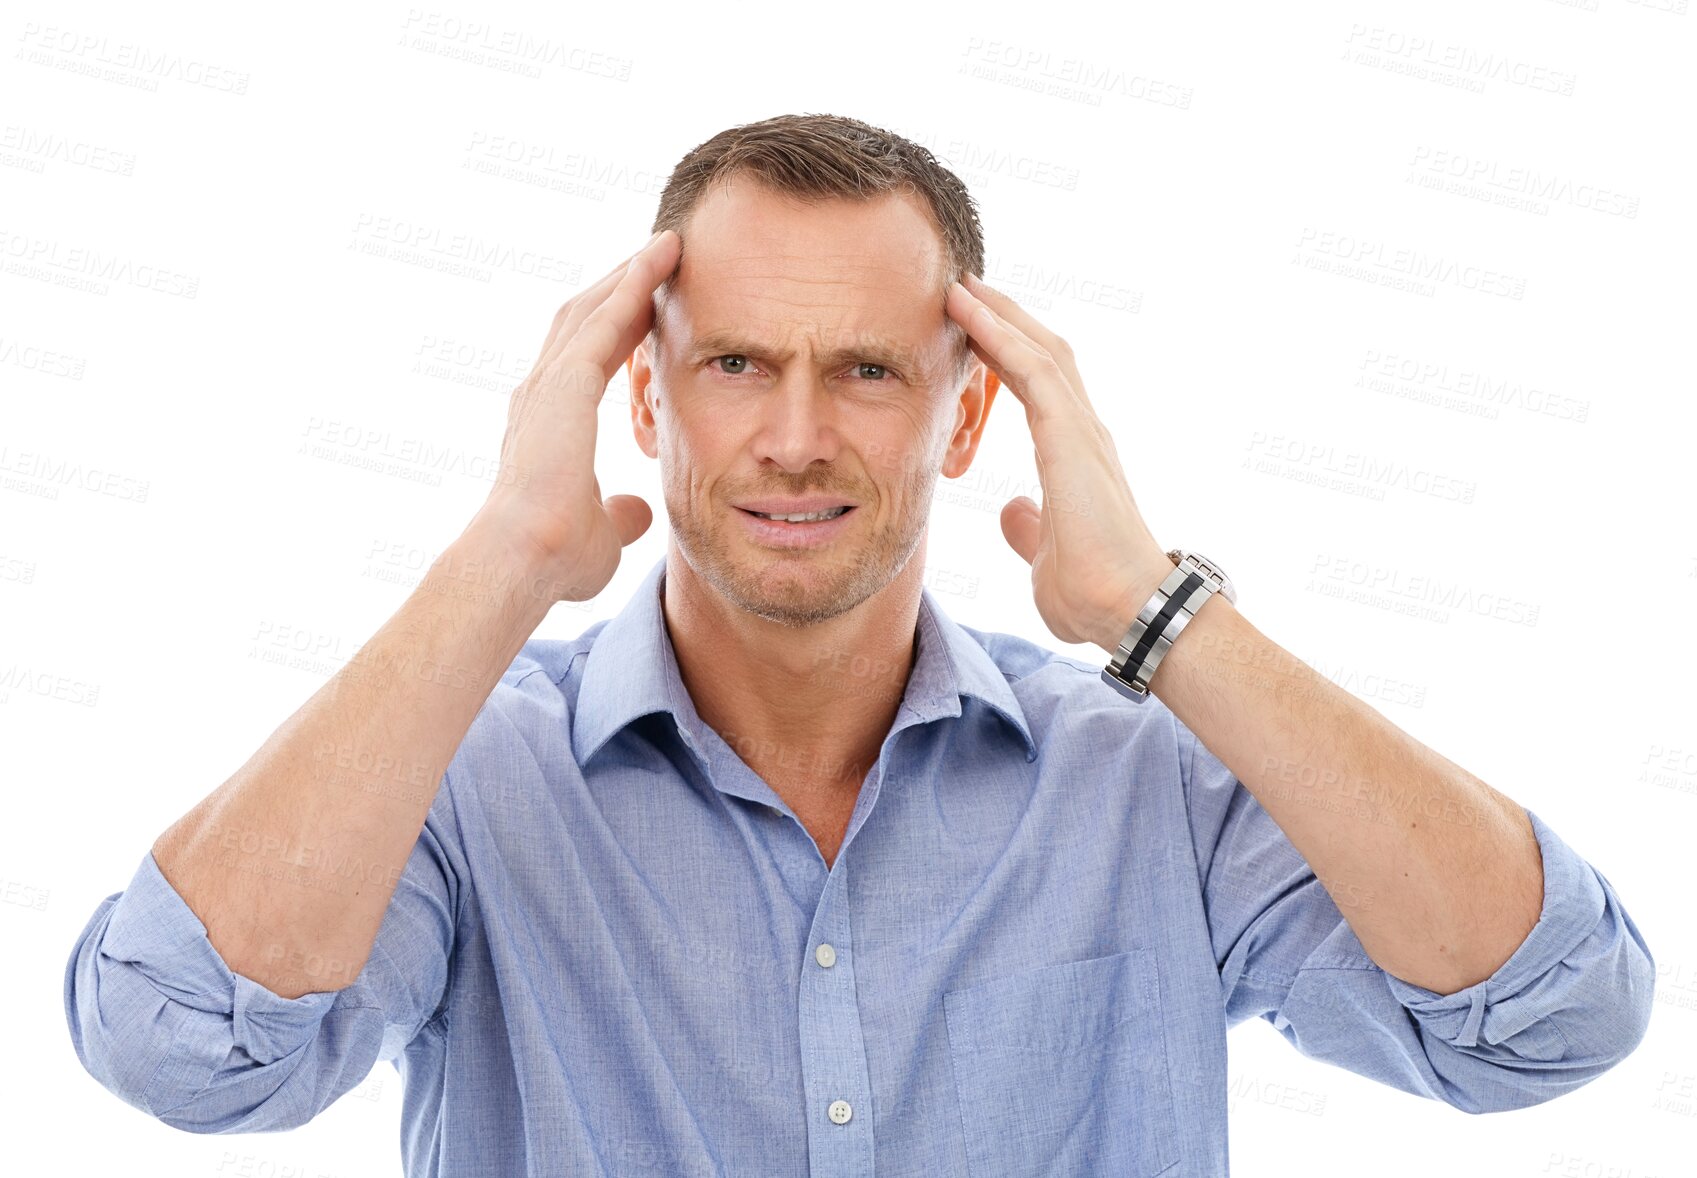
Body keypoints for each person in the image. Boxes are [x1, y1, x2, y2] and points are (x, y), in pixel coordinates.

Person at [63, 113, 1654, 1177]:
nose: (795, 437)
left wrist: (1156, 616)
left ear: (970, 413)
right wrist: (502, 560)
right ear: (642, 395)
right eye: (737, 363)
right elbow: (183, 1049)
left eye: (871, 373)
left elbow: (1548, 1014)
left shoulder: (1144, 781)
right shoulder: (470, 785)